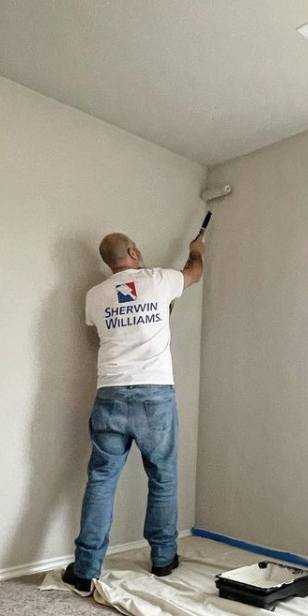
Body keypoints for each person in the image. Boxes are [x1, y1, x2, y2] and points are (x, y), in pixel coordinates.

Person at [61, 230, 205, 597]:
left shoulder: (95, 296)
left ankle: (85, 568)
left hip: (110, 394)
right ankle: (163, 558)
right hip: (154, 394)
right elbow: (194, 273)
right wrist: (197, 251)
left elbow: (108, 325)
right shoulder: (158, 280)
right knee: (162, 477)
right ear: (132, 251)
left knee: (101, 479)